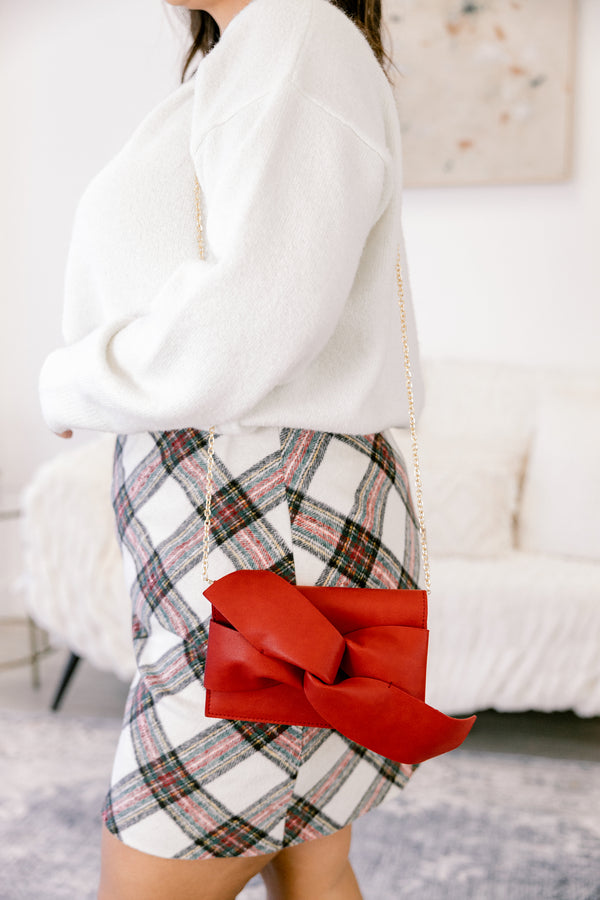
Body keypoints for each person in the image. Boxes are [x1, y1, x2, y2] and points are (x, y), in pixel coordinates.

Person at [39, 0, 428, 897]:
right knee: (313, 860)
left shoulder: (295, 33)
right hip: (257, 514)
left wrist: (71, 379)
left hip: (264, 519)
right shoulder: (242, 61)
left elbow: (257, 308)